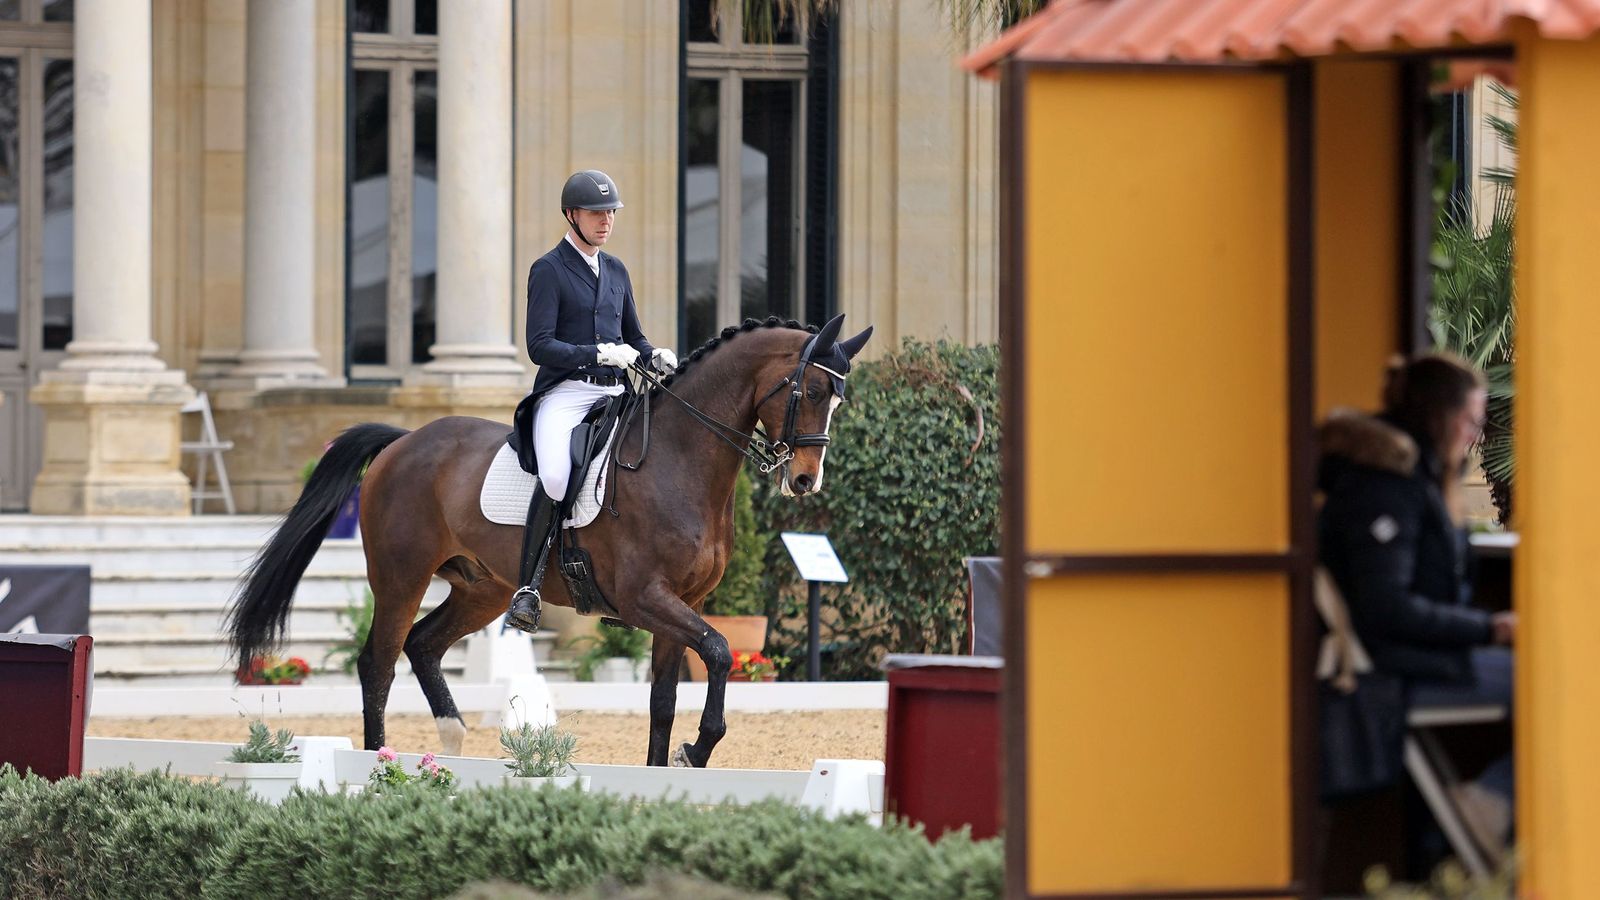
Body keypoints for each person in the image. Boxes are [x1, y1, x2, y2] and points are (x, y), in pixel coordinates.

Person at [1317, 353, 1517, 853]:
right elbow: (1387, 607)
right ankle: (1489, 801)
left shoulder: (1406, 478)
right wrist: (1489, 628)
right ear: (1444, 419)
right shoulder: (1386, 487)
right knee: (1572, 683)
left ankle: (1478, 813)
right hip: (1397, 674)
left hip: (1418, 660)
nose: (1475, 436)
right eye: (1473, 421)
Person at [505, 169, 678, 634]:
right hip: (566, 392)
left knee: (642, 468)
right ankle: (528, 587)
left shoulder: (617, 270)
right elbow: (539, 345)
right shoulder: (549, 269)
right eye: (596, 213)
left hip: (615, 392)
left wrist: (652, 353)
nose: (605, 221)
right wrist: (596, 352)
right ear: (572, 215)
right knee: (558, 475)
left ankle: (625, 584)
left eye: (610, 213)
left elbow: (634, 336)